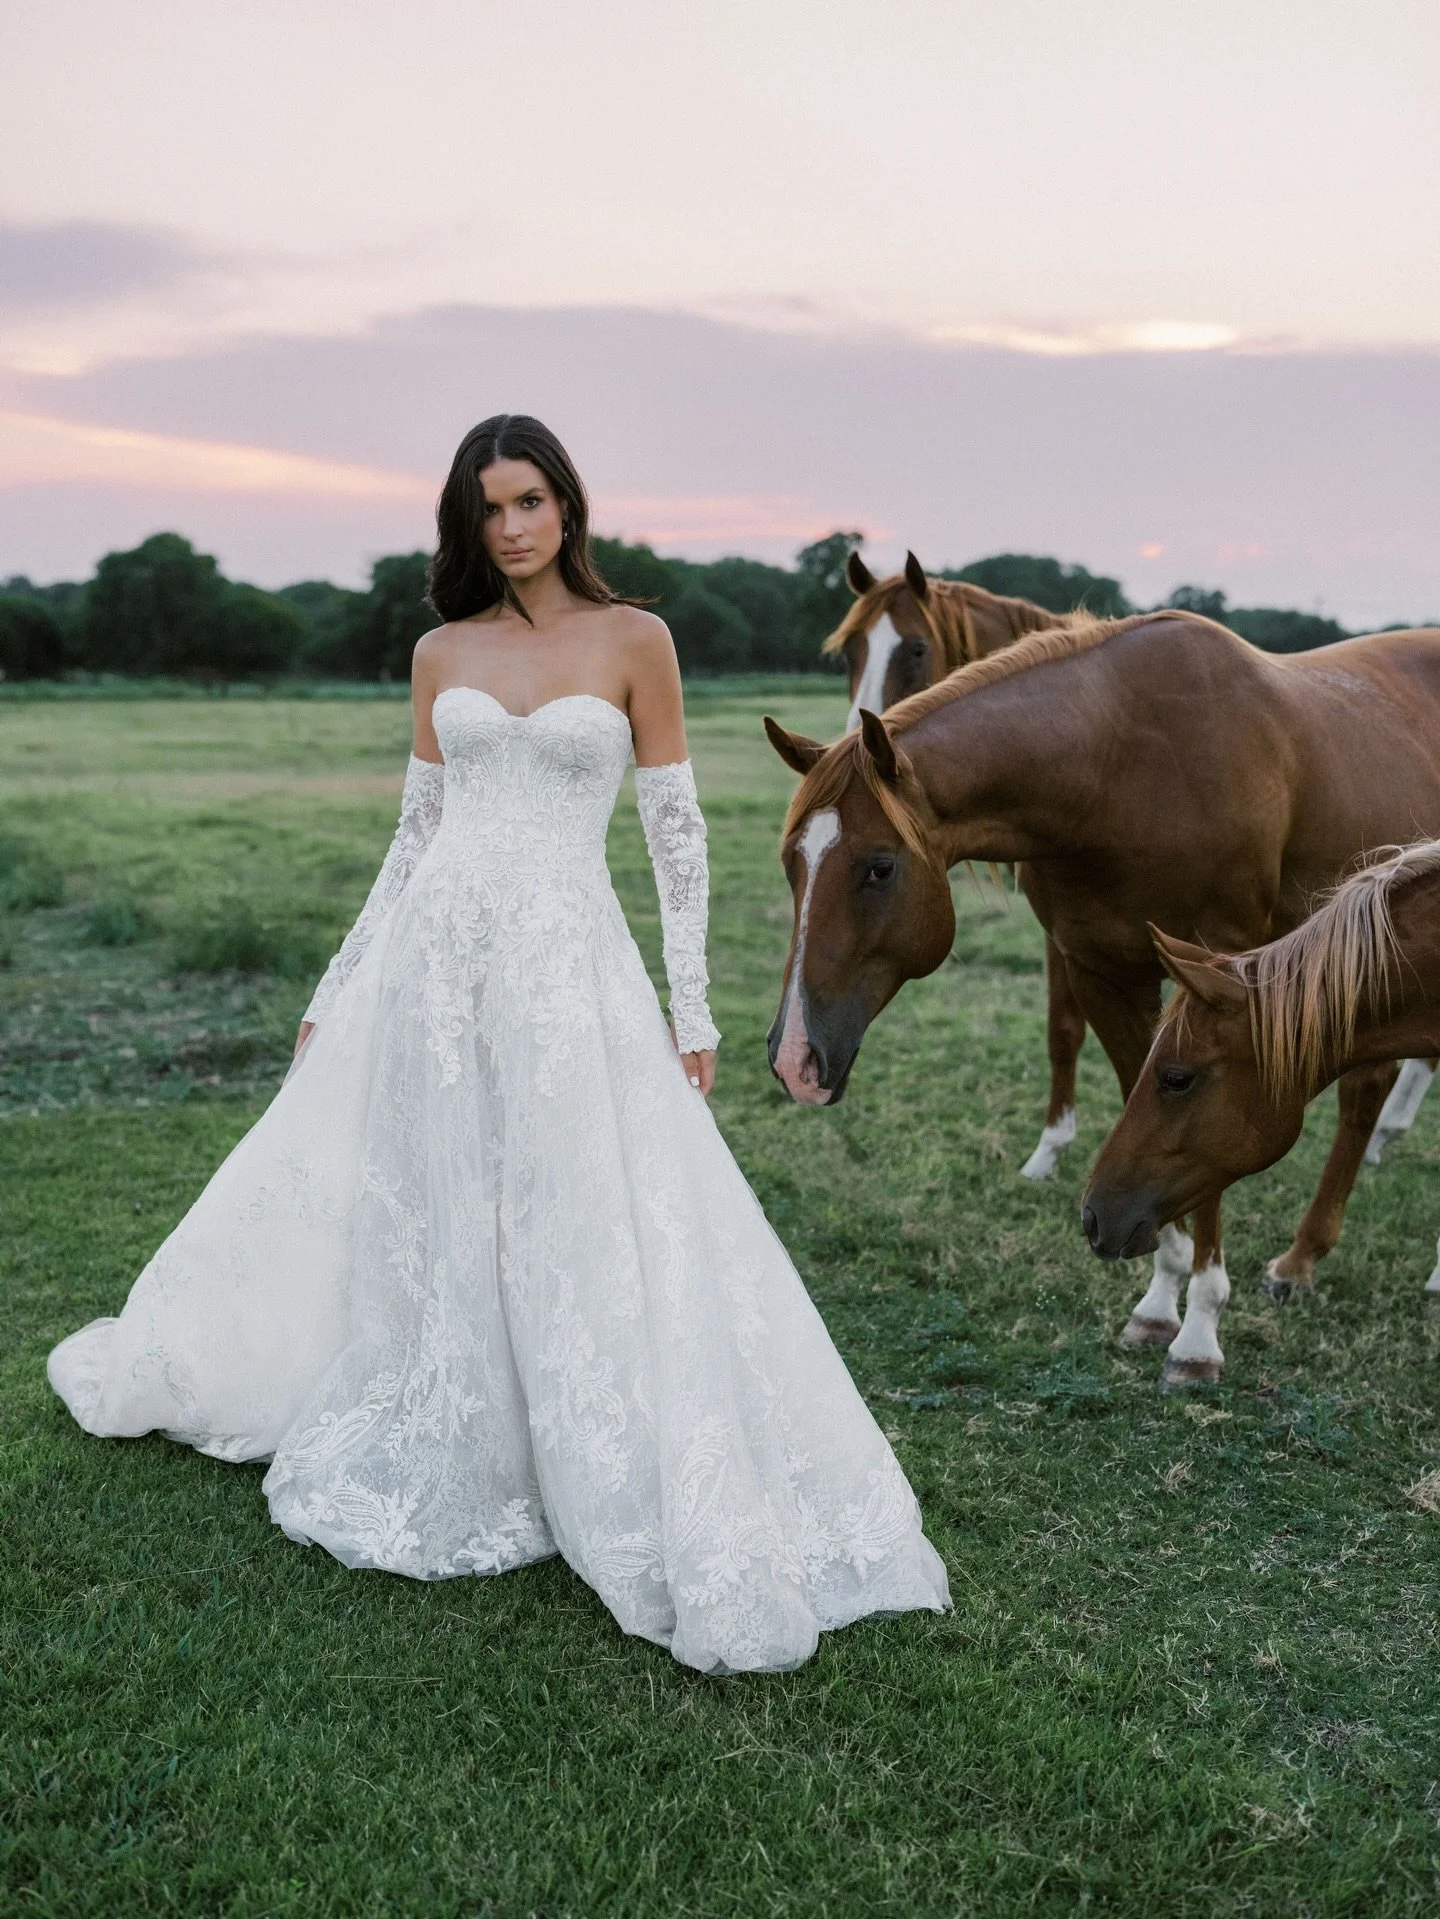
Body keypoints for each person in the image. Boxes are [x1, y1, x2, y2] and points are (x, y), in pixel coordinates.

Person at [47, 415, 950, 1673]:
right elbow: (415, 837)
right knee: (442, 1187)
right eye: (489, 509)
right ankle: (446, 1405)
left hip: (567, 963)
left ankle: (577, 1433)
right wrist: (340, 976)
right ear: (466, 525)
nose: (513, 527)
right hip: (436, 959)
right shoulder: (439, 651)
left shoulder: (640, 640)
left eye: (529, 500)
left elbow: (675, 843)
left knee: (573, 1190)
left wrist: (691, 1010)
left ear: (568, 504)